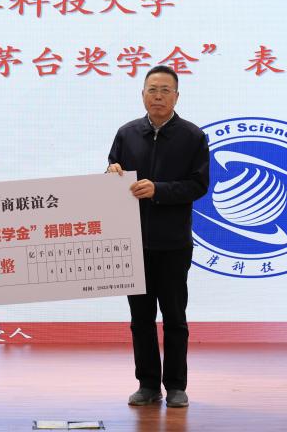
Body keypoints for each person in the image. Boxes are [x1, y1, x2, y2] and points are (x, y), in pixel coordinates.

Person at [106, 65, 209, 408]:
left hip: (173, 244)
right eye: (152, 90)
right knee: (140, 320)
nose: (159, 96)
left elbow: (198, 185)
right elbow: (112, 172)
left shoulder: (193, 137)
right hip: (133, 242)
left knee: (175, 318)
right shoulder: (127, 133)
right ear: (143, 95)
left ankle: (176, 386)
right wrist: (111, 172)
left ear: (177, 96)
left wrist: (159, 190)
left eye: (166, 90)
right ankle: (148, 384)